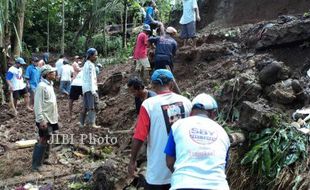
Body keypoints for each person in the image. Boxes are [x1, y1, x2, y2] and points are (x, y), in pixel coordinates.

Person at [128, 69, 192, 189]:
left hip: (158, 173)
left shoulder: (149, 104)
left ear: (153, 85)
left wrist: (132, 160)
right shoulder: (187, 102)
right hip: (183, 170)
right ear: (172, 83)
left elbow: (139, 136)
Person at [164, 93, 230, 190]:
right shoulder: (223, 132)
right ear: (213, 113)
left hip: (183, 185)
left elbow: (169, 162)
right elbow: (223, 165)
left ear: (191, 111)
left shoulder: (178, 126)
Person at [32, 64, 58, 171]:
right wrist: (41, 119)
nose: (55, 73)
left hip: (51, 117)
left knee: (48, 137)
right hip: (44, 118)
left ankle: (45, 158)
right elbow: (37, 105)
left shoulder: (49, 85)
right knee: (43, 139)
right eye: (53, 72)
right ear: (47, 74)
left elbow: (51, 102)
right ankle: (36, 164)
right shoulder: (41, 86)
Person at [81, 48, 100, 128]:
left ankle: (81, 123)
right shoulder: (91, 65)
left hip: (85, 88)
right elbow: (91, 78)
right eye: (95, 55)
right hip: (90, 88)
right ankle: (92, 124)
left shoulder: (85, 64)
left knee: (85, 107)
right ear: (91, 56)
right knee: (92, 107)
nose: (97, 57)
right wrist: (93, 91)